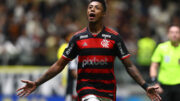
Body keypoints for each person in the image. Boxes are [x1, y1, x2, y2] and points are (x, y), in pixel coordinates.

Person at [16, 0, 161, 101]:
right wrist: (37, 83)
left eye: (96, 7)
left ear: (103, 13)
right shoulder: (78, 38)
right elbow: (59, 65)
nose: (92, 9)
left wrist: (145, 85)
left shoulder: (114, 38)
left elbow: (129, 66)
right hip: (86, 88)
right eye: (90, 7)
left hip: (108, 91)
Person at [150, 25, 180, 101]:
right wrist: (155, 83)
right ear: (168, 34)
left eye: (177, 32)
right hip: (164, 86)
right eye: (172, 32)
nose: (174, 34)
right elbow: (153, 66)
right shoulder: (161, 47)